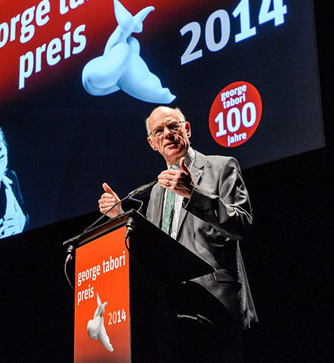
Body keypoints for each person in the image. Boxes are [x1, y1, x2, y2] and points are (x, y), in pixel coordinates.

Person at [98, 106, 256, 362]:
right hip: (173, 311)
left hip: (217, 305)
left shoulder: (222, 166)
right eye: (158, 132)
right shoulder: (157, 191)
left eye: (173, 126)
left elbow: (242, 223)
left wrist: (194, 194)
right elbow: (153, 247)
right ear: (152, 144)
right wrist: (120, 217)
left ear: (187, 129)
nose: (167, 134)